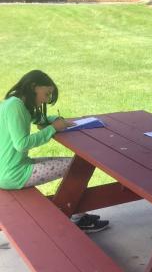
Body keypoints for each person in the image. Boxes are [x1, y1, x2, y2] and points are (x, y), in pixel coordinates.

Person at [0, 70, 109, 233]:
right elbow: (21, 144)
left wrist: (55, 121)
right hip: (13, 173)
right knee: (77, 167)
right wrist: (52, 129)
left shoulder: (16, 103)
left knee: (74, 165)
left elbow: (39, 120)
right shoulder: (16, 107)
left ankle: (76, 214)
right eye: (47, 94)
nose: (47, 99)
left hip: (11, 167)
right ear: (33, 87)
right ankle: (77, 218)